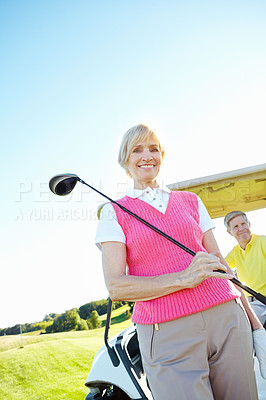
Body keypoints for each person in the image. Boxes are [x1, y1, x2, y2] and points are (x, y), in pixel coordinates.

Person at [95, 124, 262, 400]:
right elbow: (116, 286)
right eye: (137, 149)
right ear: (125, 159)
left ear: (162, 155)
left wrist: (255, 324)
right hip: (166, 333)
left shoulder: (191, 201)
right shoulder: (114, 213)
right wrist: (184, 278)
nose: (147, 155)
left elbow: (220, 263)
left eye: (154, 149)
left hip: (228, 318)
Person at [224, 210, 266, 327]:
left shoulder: (263, 242)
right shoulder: (235, 252)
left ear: (249, 225)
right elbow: (220, 266)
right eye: (236, 226)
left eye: (243, 224)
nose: (241, 228)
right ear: (230, 232)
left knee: (240, 324)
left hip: (263, 302)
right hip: (249, 303)